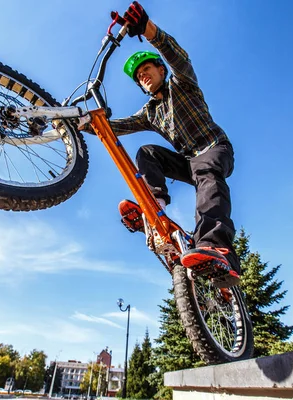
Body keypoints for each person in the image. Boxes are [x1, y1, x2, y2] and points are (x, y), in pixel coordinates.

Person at [104, 2, 241, 288]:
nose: (143, 75)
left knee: (206, 172)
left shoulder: (182, 84)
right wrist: (75, 123)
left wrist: (148, 29)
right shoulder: (149, 112)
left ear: (160, 71)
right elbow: (115, 127)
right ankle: (154, 204)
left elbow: (179, 58)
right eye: (139, 76)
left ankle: (217, 246)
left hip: (215, 148)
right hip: (188, 161)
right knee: (147, 152)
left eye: (147, 69)